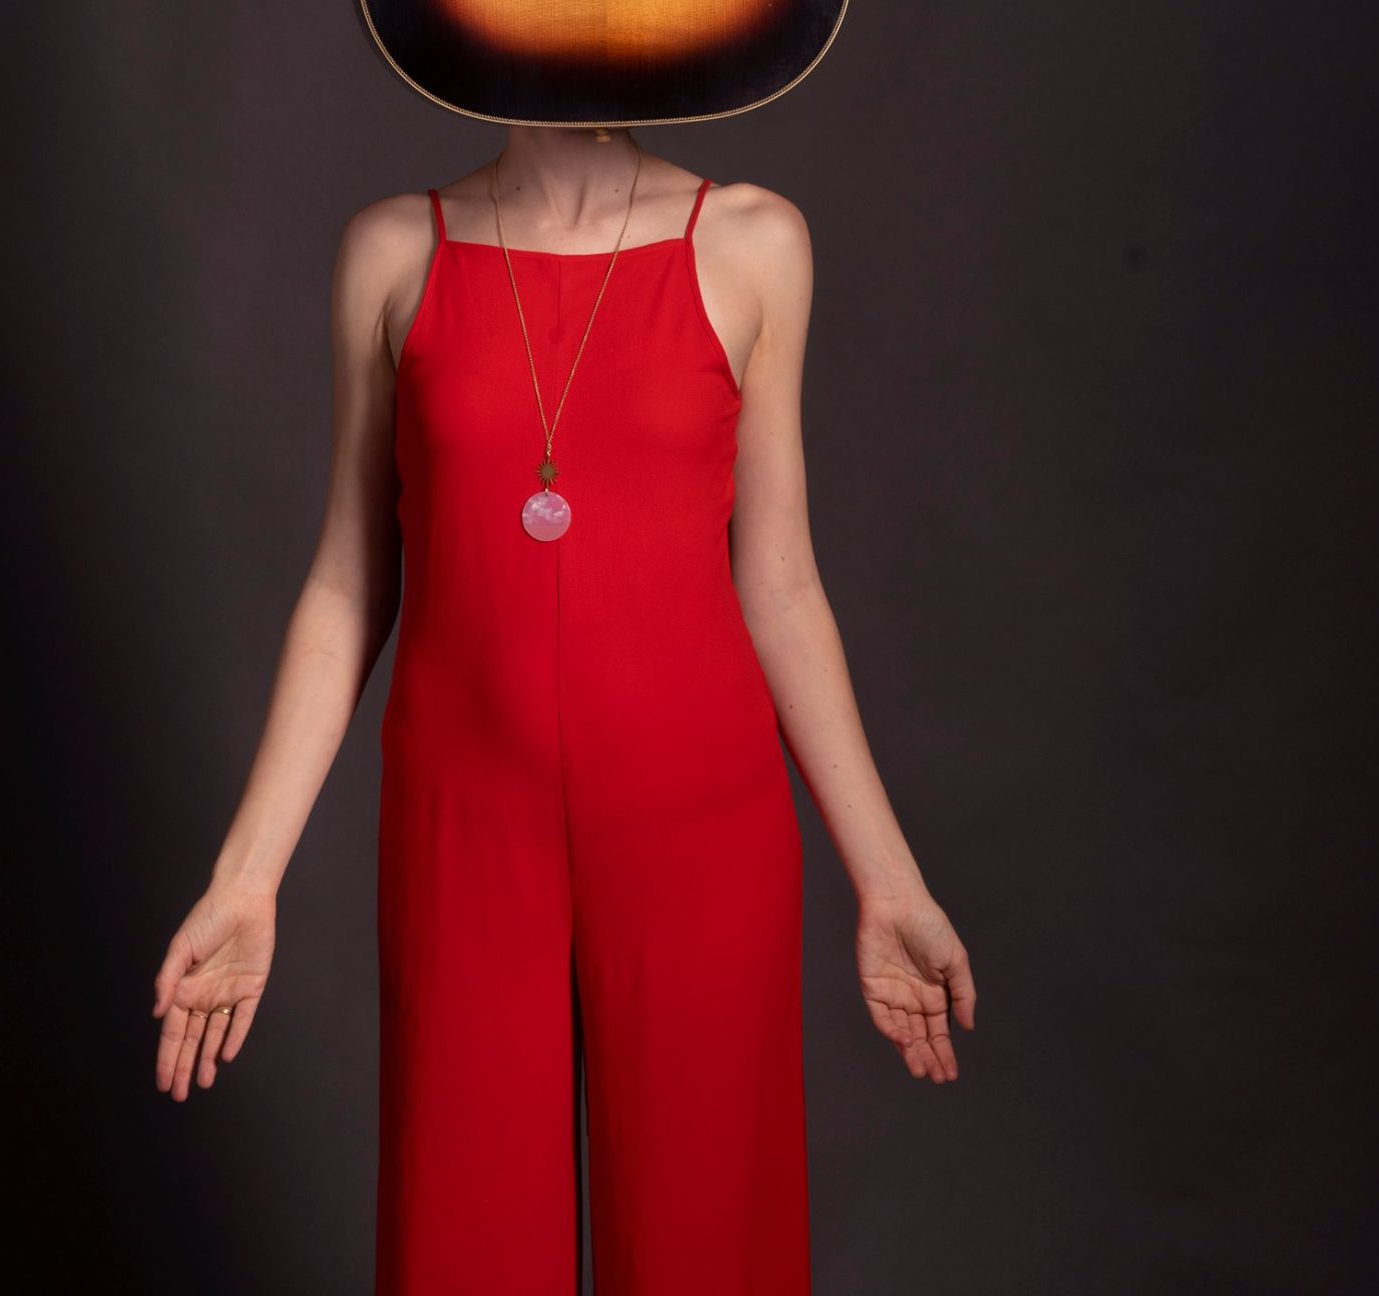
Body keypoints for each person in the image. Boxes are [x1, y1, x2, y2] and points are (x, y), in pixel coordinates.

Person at [153, 128, 976, 1292]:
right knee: (463, 1243)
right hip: (463, 827)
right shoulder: (394, 250)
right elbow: (350, 577)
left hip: (701, 826)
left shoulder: (753, 240)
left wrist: (888, 881)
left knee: (708, 1248)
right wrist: (247, 877)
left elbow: (781, 581)